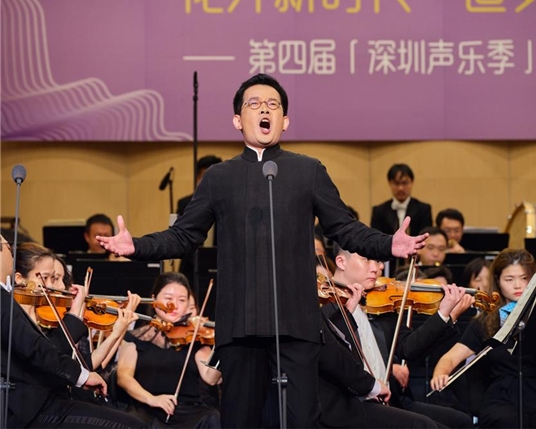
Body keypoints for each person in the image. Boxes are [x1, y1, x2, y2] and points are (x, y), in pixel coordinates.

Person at [97, 73, 429, 428]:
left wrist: (389, 244)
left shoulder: (308, 171)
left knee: (303, 421)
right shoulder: (219, 178)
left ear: (285, 120)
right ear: (237, 120)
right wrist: (136, 246)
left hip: (297, 321)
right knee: (240, 419)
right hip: (241, 323)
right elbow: (183, 236)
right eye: (254, 104)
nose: (264, 110)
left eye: (273, 105)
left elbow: (344, 228)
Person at [1, 236, 147, 428]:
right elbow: (40, 350)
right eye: (47, 277)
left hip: (52, 400)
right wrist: (82, 375)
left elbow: (60, 354)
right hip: (34, 408)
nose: (58, 287)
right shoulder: (6, 303)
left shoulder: (19, 306)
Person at [325, 244, 474, 428]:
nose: (377, 267)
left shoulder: (380, 302)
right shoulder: (326, 307)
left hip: (390, 400)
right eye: (367, 259)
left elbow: (409, 349)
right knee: (425, 426)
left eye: (378, 261)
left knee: (461, 422)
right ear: (341, 262)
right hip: (354, 405)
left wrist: (443, 314)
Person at [431, 248, 536, 428]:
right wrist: (440, 373)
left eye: (524, 278)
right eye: (509, 279)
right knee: (507, 421)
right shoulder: (486, 321)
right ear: (498, 281)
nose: (517, 285)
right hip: (501, 396)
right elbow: (450, 357)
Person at [117, 272, 220, 428]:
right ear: (154, 298)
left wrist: (221, 345)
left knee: (212, 418)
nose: (175, 305)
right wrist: (152, 399)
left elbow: (211, 378)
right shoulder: (135, 337)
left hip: (189, 410)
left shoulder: (195, 337)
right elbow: (123, 377)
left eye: (182, 300)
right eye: (168, 298)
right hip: (146, 406)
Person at [371, 163, 432, 237]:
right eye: (396, 183)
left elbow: (426, 237)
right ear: (389, 183)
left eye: (404, 183)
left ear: (412, 182)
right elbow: (376, 239)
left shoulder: (423, 209)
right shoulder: (379, 211)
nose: (400, 188)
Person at [176, 155, 223, 219]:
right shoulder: (185, 204)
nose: (210, 181)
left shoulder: (228, 202)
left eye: (214, 177)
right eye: (205, 176)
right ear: (197, 178)